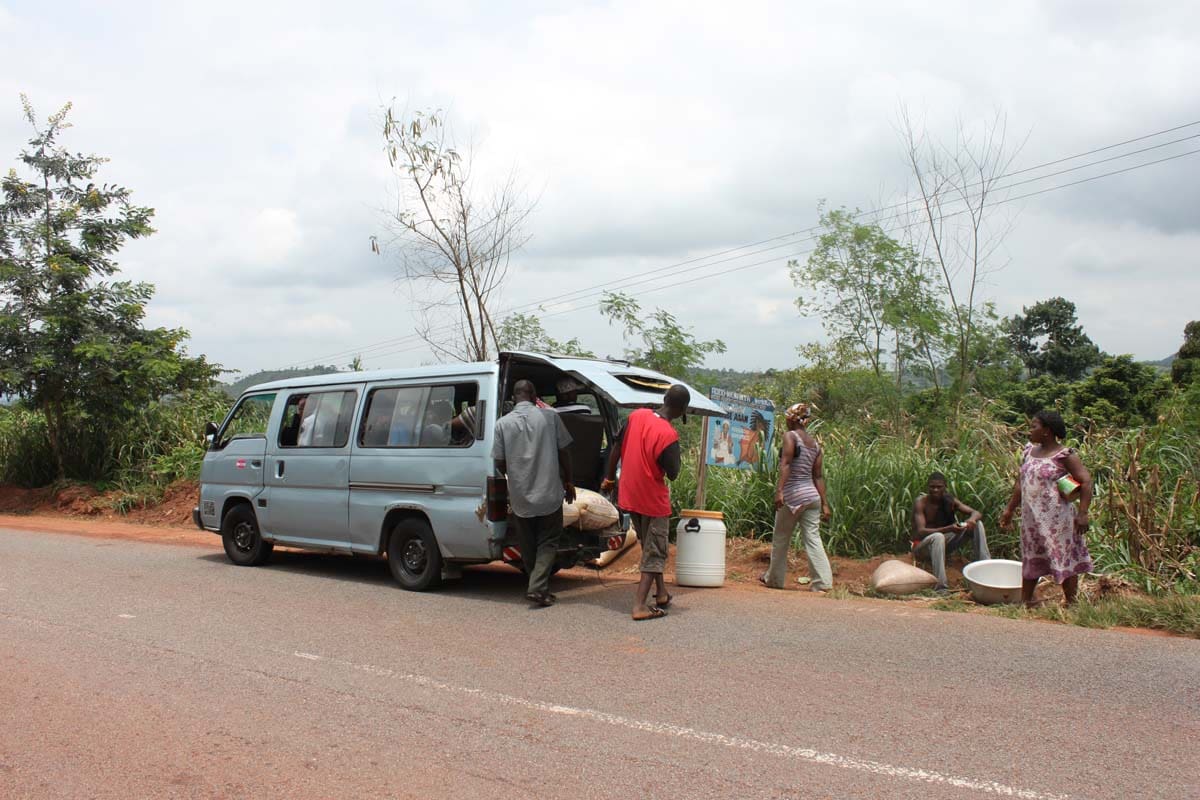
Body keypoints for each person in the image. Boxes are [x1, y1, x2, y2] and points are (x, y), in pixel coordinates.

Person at [601, 384, 688, 621]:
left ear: (665, 399)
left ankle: (661, 593)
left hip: (629, 495)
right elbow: (673, 473)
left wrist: (609, 479)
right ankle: (639, 605)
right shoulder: (668, 434)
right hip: (653, 500)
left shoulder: (636, 415)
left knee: (647, 544)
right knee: (656, 551)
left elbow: (616, 448)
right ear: (682, 410)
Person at [493, 380, 576, 607]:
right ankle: (537, 587)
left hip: (520, 494)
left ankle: (537, 587)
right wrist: (568, 480)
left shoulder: (502, 424)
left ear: (514, 397)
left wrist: (516, 475)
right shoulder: (550, 417)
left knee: (527, 543)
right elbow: (565, 451)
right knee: (548, 541)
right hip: (549, 492)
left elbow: (499, 461)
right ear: (534, 394)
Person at [999, 410, 1094, 608]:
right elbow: (1020, 483)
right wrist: (1009, 510)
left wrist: (1083, 513)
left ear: (1047, 431)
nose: (1029, 431)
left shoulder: (1064, 455)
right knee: (1031, 558)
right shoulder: (1028, 452)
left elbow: (1086, 481)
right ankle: (1026, 603)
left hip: (1058, 521)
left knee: (1064, 559)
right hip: (1031, 520)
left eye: (1034, 426)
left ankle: (1071, 604)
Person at [761, 402, 833, 591]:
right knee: (813, 539)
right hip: (813, 498)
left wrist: (780, 491)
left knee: (781, 538)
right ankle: (823, 583)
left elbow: (785, 464)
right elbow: (818, 476)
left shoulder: (790, 436)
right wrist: (825, 504)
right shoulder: (816, 445)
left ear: (790, 419)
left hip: (793, 496)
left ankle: (775, 580)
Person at [911, 472, 990, 591]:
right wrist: (949, 529)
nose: (935, 490)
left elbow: (976, 513)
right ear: (928, 487)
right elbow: (921, 531)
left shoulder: (949, 500)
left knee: (977, 524)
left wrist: (971, 520)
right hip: (923, 547)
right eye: (932, 487)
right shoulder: (921, 502)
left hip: (943, 545)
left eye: (939, 487)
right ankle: (941, 587)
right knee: (938, 536)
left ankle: (985, 567)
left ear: (945, 487)